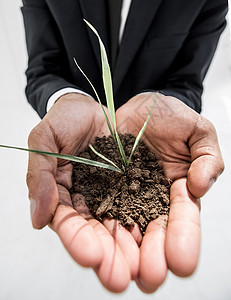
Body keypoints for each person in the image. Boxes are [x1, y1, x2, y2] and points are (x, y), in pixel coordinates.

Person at [22, 0, 227, 294]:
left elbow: (187, 81)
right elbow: (42, 69)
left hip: (153, 136)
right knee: (90, 249)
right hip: (81, 144)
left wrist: (170, 109)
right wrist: (63, 98)